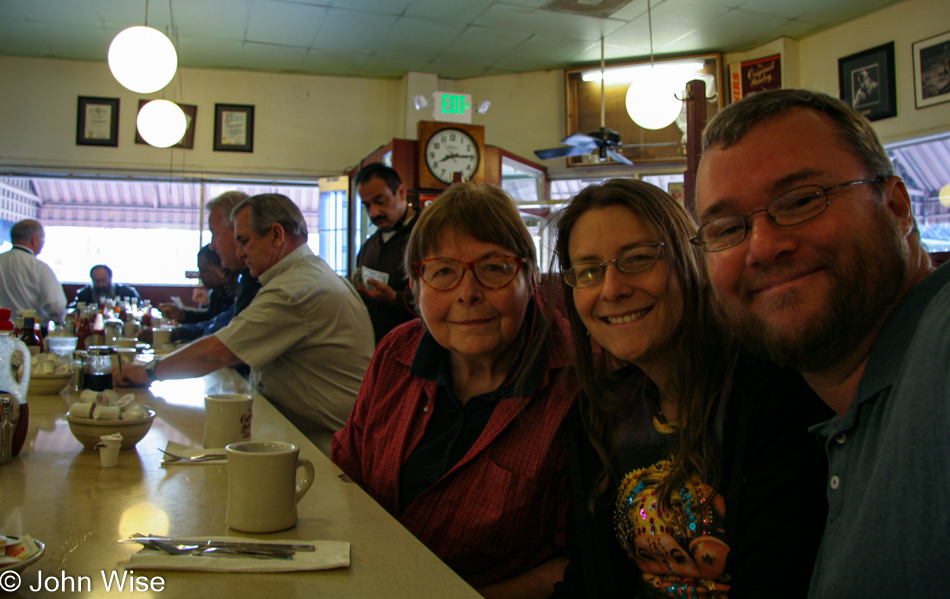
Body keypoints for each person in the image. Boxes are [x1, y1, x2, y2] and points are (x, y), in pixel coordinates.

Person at [694, 88, 947, 597]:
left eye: (803, 200)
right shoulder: (834, 418)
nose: (763, 246)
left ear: (897, 208)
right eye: (726, 228)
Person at [550, 179, 831, 598]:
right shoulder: (599, 415)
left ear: (691, 259)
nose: (611, 289)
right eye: (589, 271)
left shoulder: (774, 395)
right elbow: (590, 582)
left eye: (638, 258)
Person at [332, 183, 577, 599]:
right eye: (443, 271)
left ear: (529, 277)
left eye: (494, 267)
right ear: (416, 285)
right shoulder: (396, 353)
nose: (467, 293)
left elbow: (576, 565)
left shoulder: (576, 381)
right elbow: (348, 473)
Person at [116, 193, 375, 452]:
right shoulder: (305, 275)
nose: (239, 253)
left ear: (276, 235)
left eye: (245, 241)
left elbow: (218, 353)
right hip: (313, 433)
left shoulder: (295, 289)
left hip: (326, 449)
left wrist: (147, 372)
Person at [355, 162, 418, 343]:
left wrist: (395, 298)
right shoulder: (369, 246)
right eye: (367, 206)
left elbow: (446, 296)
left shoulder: (428, 236)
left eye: (380, 201)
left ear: (401, 193)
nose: (374, 213)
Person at [0, 219, 67, 326]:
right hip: (31, 332)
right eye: (42, 239)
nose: (43, 243)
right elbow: (56, 306)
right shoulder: (39, 268)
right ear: (34, 239)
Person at [207, 191, 261, 318]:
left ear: (238, 230)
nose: (212, 245)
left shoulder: (259, 278)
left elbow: (235, 337)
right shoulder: (247, 277)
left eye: (216, 234)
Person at [160, 245, 235, 330]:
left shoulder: (233, 294)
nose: (200, 276)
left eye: (204, 271)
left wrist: (178, 333)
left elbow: (217, 328)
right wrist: (181, 314)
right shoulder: (217, 292)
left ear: (222, 267)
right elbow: (210, 318)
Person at [71, 264, 141, 307]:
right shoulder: (84, 295)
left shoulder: (127, 293)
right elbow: (73, 310)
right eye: (97, 281)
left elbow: (139, 309)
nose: (100, 284)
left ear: (110, 278)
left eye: (103, 280)